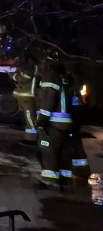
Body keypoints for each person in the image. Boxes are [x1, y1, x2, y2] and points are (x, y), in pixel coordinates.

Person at [34, 50, 89, 186]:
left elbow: (48, 100)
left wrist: (42, 120)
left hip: (53, 123)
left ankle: (49, 181)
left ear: (48, 64)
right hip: (67, 123)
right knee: (63, 151)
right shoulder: (67, 78)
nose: (42, 66)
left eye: (43, 63)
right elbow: (75, 101)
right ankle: (65, 179)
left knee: (47, 149)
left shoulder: (49, 78)